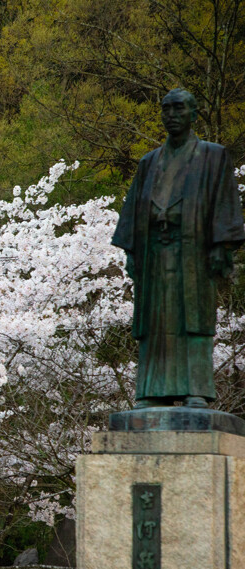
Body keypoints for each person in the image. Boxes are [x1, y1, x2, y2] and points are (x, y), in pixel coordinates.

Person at [112, 88, 245, 409]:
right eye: (166, 109)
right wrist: (132, 253)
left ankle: (194, 389)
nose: (171, 115)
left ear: (193, 114)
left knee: (193, 319)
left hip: (193, 251)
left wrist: (220, 245)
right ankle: (151, 390)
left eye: (178, 109)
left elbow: (225, 203)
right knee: (154, 321)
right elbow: (131, 213)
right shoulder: (149, 162)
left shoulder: (213, 156)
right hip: (154, 252)